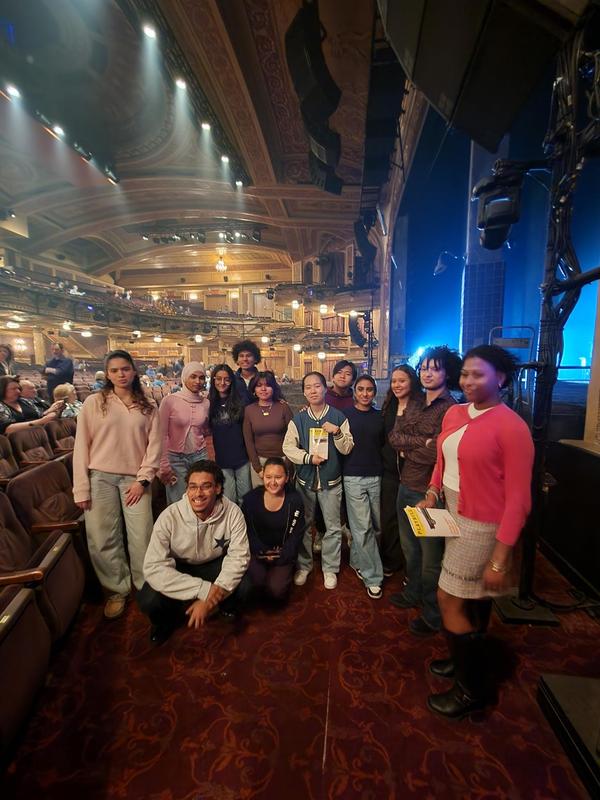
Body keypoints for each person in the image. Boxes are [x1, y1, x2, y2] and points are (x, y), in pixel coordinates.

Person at [421, 345, 534, 719]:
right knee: (474, 599)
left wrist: (500, 560)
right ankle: (464, 660)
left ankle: (471, 690)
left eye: (478, 374)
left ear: (500, 378)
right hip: (453, 510)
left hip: (483, 524)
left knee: (448, 597)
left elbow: (519, 501)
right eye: (465, 374)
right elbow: (444, 459)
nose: (468, 381)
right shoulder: (455, 412)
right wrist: (432, 491)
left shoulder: (511, 427)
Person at [73, 350, 161, 620]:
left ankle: (145, 586)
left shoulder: (148, 405)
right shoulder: (94, 402)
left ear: (133, 371)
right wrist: (81, 487)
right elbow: (81, 446)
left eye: (125, 369)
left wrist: (143, 480)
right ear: (108, 374)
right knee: (102, 538)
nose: (121, 374)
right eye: (114, 370)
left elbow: (154, 447)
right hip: (100, 477)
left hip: (135, 479)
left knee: (142, 535)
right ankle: (116, 589)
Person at [389, 345, 461, 636]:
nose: (427, 373)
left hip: (431, 493)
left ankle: (432, 615)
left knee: (431, 559)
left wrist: (411, 449)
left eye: (435, 368)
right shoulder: (416, 401)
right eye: (424, 368)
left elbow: (439, 454)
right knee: (409, 549)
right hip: (405, 484)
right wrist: (423, 443)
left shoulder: (451, 408)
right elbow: (395, 437)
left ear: (447, 373)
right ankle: (413, 594)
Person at [138, 460, 250, 644]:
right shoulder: (169, 516)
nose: (198, 493)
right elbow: (154, 567)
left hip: (214, 564)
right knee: (148, 600)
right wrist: (204, 590)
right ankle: (164, 622)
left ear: (218, 488)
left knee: (245, 584)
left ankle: (225, 607)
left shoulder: (233, 512)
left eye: (206, 486)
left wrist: (211, 598)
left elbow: (239, 556)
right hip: (181, 566)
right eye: (193, 487)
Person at [282, 371, 353, 590]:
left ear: (325, 388)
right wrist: (307, 458)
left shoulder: (339, 417)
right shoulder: (299, 419)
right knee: (303, 525)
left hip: (331, 481)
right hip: (305, 481)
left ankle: (330, 568)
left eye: (317, 386)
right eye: (308, 387)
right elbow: (287, 447)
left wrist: (337, 432)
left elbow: (347, 447)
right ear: (304, 392)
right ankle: (305, 565)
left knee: (332, 527)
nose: (313, 391)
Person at [343, 375, 385, 599]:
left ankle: (357, 559)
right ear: (354, 392)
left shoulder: (380, 417)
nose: (365, 393)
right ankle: (373, 577)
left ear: (374, 392)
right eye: (360, 389)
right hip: (352, 476)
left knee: (377, 527)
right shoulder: (345, 415)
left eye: (369, 389)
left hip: (376, 475)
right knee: (362, 528)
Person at [241, 458, 305, 603]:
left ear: (286, 478)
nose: (273, 482)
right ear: (262, 476)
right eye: (268, 477)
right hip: (258, 552)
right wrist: (262, 551)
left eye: (278, 477)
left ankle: (288, 570)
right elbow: (247, 531)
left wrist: (283, 555)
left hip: (282, 553)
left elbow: (297, 534)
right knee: (254, 584)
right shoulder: (251, 499)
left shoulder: (295, 500)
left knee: (275, 591)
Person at [379, 365, 422, 577]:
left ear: (412, 381)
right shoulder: (389, 404)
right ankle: (391, 560)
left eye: (402, 380)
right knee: (388, 518)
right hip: (389, 471)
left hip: (413, 472)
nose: (397, 385)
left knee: (412, 520)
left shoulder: (420, 406)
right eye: (394, 381)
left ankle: (412, 568)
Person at [158, 362, 209, 504]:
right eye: (193, 377)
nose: (197, 381)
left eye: (201, 377)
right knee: (178, 501)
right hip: (175, 458)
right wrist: (163, 463)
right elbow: (161, 434)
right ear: (184, 377)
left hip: (200, 455)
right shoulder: (169, 401)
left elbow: (204, 430)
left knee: (201, 497)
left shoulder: (206, 403)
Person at [208, 363, 252, 504]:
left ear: (232, 381)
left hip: (242, 458)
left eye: (227, 379)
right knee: (229, 500)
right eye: (218, 379)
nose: (222, 383)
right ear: (213, 380)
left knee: (245, 498)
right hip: (222, 459)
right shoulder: (208, 403)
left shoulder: (241, 401)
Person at [242, 370, 293, 488]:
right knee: (260, 496)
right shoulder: (249, 410)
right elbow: (248, 441)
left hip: (282, 459)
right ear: (254, 389)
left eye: (268, 385)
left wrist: (287, 464)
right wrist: (257, 468)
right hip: (260, 461)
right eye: (259, 385)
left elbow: (293, 436)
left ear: (273, 388)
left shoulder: (283, 407)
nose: (263, 389)